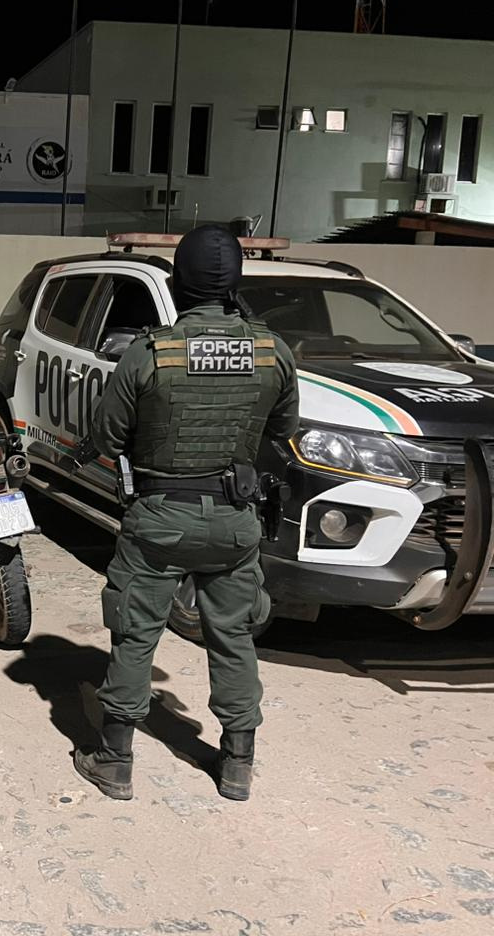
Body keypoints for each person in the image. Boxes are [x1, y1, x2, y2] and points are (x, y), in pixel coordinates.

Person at [74, 225, 299, 802]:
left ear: (177, 283)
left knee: (135, 635)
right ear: (236, 284)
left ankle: (115, 761)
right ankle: (237, 765)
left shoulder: (152, 351)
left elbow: (107, 435)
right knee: (234, 636)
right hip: (234, 520)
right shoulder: (272, 351)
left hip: (160, 519)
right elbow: (282, 428)